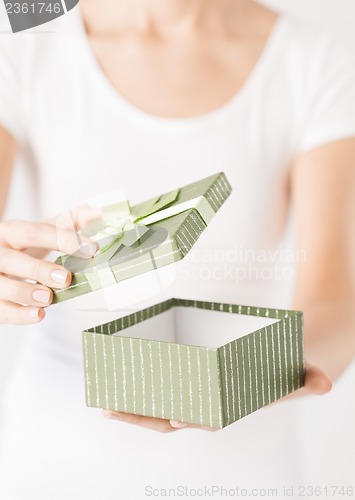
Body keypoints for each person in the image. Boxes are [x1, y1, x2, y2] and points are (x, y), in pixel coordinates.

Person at [0, 0, 354, 498]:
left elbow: (334, 301)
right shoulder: (26, 39)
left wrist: (253, 374)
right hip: (55, 458)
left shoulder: (314, 60)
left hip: (246, 464)